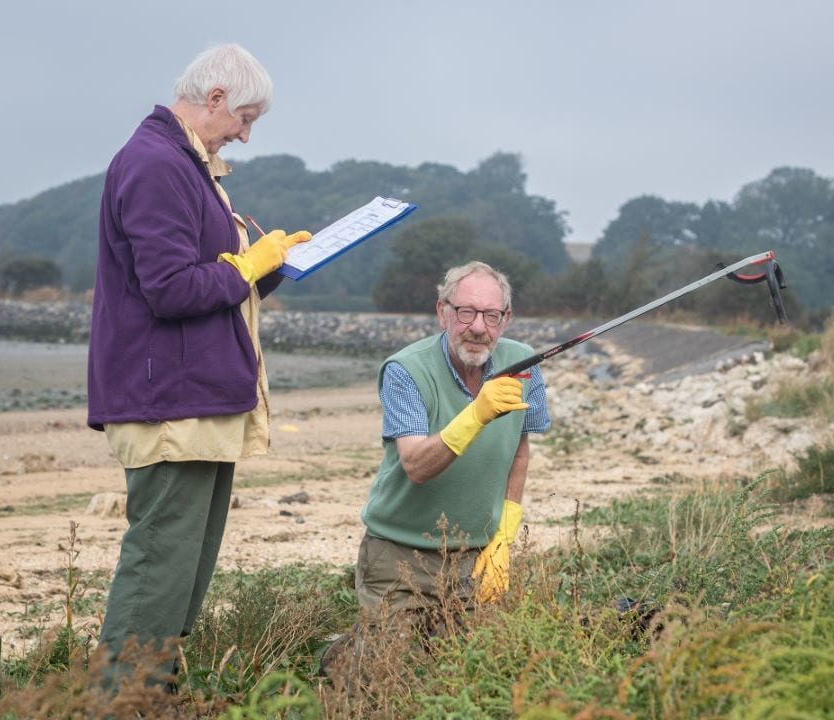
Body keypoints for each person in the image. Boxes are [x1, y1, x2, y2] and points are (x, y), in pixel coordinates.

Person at [87, 44, 311, 687]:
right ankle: (119, 702)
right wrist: (247, 265)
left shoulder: (187, 163)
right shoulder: (156, 163)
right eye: (244, 117)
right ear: (213, 98)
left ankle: (152, 693)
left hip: (197, 397)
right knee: (160, 563)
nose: (245, 133)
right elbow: (170, 288)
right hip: (168, 402)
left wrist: (273, 268)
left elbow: (213, 286)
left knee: (185, 565)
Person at [325, 261, 550, 678]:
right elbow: (416, 466)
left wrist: (504, 538)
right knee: (384, 678)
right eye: (465, 312)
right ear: (442, 312)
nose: (478, 327)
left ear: (506, 319)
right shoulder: (405, 371)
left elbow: (520, 451)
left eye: (491, 315)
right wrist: (476, 413)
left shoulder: (524, 364)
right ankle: (341, 656)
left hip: (475, 557)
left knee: (470, 675)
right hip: (397, 555)